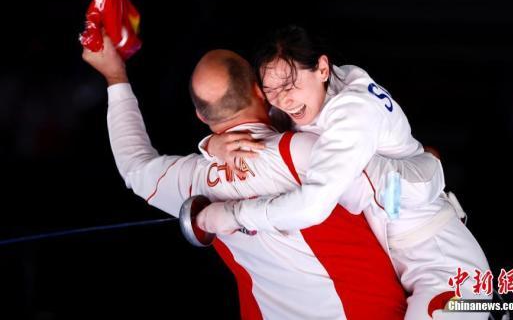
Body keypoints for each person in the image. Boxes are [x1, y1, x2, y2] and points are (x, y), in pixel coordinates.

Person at [82, 33, 409, 319]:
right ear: (260, 89)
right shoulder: (308, 149)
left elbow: (134, 167)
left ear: (200, 114)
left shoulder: (193, 180)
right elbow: (395, 191)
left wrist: (115, 76)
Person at [197, 25, 491, 319]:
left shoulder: (353, 112)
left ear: (322, 68)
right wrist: (214, 143)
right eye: (271, 90)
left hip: (442, 263)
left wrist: (234, 215)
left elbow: (311, 206)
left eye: (288, 87)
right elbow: (262, 123)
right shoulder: (314, 91)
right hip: (397, 263)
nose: (282, 101)